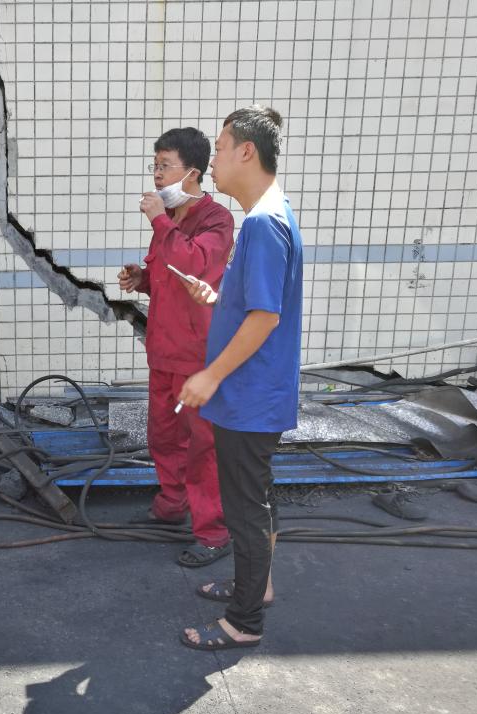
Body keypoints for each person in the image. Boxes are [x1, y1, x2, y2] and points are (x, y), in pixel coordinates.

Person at [176, 105, 303, 650]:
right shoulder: (270, 214)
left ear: (247, 151)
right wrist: (216, 296)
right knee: (258, 497)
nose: (214, 159)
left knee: (245, 508)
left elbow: (265, 317)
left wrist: (210, 375)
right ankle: (258, 586)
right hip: (255, 391)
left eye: (221, 147)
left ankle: (243, 622)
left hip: (249, 394)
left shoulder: (261, 223)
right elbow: (255, 301)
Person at [117, 128, 234, 566]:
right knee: (163, 434)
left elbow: (196, 264)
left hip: (198, 355)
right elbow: (170, 274)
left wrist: (159, 222)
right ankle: (172, 504)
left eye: (165, 166)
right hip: (164, 350)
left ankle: (214, 533)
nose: (156, 175)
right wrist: (143, 279)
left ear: (193, 173)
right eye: (154, 166)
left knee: (203, 446)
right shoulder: (171, 220)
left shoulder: (217, 220)